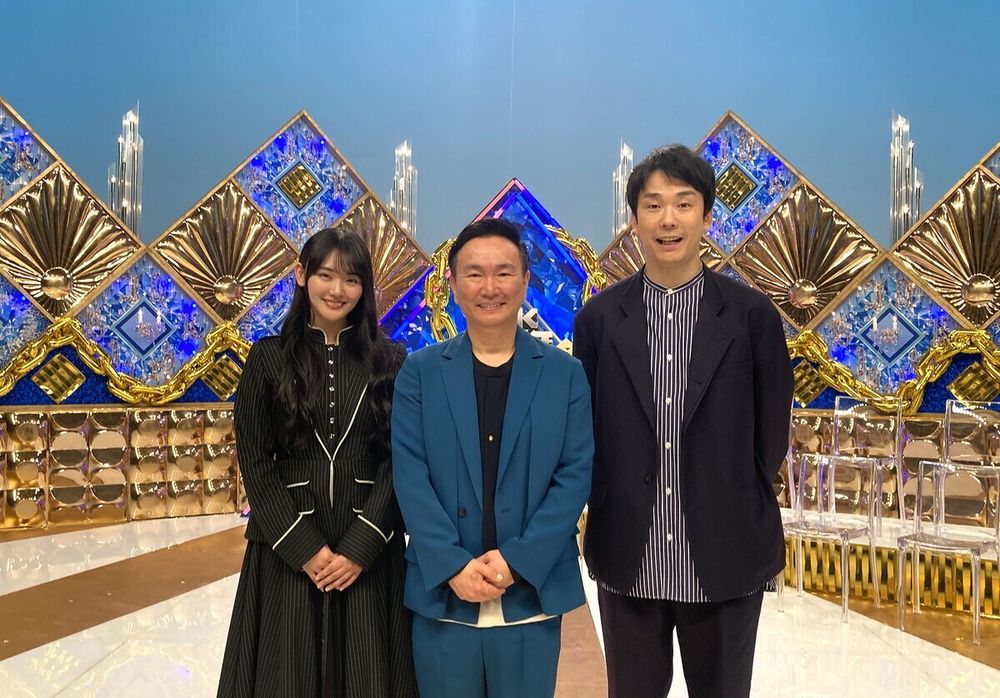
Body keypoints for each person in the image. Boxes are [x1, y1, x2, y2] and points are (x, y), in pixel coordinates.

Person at [573, 144, 793, 697]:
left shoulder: (751, 317)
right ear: (634, 220)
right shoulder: (599, 320)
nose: (667, 219)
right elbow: (588, 429)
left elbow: (771, 433)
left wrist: (734, 493)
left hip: (725, 551)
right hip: (629, 551)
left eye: (683, 203)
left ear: (706, 217)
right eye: (652, 205)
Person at [392, 218, 593, 698]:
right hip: (444, 595)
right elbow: (410, 474)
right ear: (452, 285)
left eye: (503, 273)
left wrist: (518, 561)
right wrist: (451, 565)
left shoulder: (565, 374)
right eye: (474, 273)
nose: (489, 288)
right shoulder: (420, 373)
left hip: (530, 595)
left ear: (525, 281)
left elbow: (574, 475)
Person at [218, 228, 418, 697]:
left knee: (368, 673)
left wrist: (361, 547)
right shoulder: (267, 358)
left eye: (352, 279)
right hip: (287, 548)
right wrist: (304, 548)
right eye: (325, 275)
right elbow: (256, 463)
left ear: (365, 287)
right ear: (301, 275)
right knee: (286, 675)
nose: (337, 290)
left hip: (366, 549)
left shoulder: (390, 359)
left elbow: (401, 459)